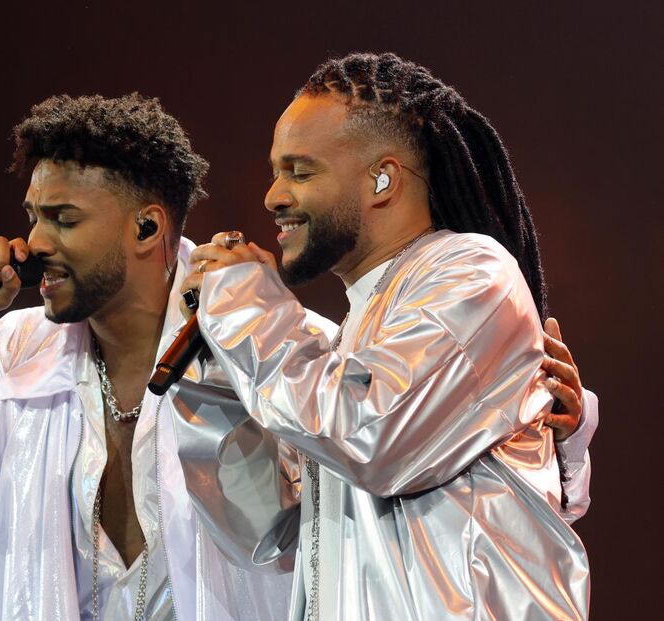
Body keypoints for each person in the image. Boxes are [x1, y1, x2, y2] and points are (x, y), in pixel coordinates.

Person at [0, 93, 295, 621]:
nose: (34, 242)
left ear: (146, 227)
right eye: (34, 217)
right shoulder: (14, 350)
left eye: (64, 219)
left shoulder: (265, 339)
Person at [174, 53, 592, 620]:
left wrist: (249, 307)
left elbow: (372, 434)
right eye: (277, 171)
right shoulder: (350, 339)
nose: (273, 195)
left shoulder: (474, 276)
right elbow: (263, 528)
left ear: (382, 178)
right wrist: (220, 373)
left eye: (300, 171)